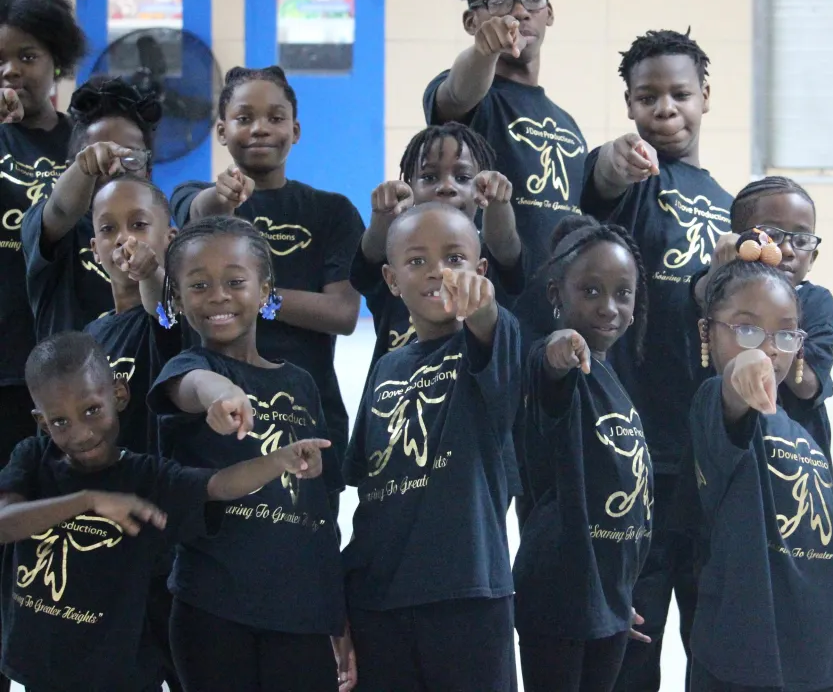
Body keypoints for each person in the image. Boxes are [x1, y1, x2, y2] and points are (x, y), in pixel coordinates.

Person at [0, 330, 330, 692]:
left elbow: (218, 484)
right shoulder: (32, 458)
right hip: (43, 675)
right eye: (60, 422)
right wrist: (87, 501)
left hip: (122, 679)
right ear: (42, 422)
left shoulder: (146, 478)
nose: (80, 433)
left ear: (119, 393)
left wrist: (277, 460)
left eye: (91, 410)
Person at [581, 29, 733, 689]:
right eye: (647, 97)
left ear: (705, 96)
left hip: (701, 450)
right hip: (632, 450)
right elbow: (600, 178)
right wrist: (616, 162)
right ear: (629, 106)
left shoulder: (731, 204)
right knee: (632, 637)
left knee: (708, 631)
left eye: (679, 93)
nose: (665, 109)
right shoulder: (627, 181)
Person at [147, 216, 352, 692]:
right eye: (198, 285)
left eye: (236, 281)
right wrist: (221, 395)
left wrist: (335, 613)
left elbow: (320, 512)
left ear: (265, 292)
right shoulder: (188, 369)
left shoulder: (301, 382)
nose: (218, 295)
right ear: (176, 299)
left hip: (299, 614)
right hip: (212, 608)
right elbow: (195, 386)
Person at [342, 203, 520, 691]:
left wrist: (483, 308)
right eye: (417, 261)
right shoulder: (385, 368)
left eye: (455, 258)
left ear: (480, 271)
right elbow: (365, 476)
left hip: (467, 595)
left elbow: (489, 325)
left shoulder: (492, 342)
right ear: (392, 279)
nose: (439, 271)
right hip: (378, 600)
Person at [171, 66, 364, 457]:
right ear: (222, 131)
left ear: (294, 130)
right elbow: (200, 215)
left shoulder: (332, 211)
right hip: (219, 404)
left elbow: (343, 314)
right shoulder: (193, 195)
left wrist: (256, 297)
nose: (260, 128)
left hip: (306, 403)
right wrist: (224, 199)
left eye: (275, 118)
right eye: (244, 118)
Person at [688, 258, 833, 692]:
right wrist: (741, 370)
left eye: (784, 332)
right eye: (746, 330)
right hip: (744, 658)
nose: (769, 348)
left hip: (818, 654)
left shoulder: (804, 432)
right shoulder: (713, 407)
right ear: (708, 334)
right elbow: (730, 395)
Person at [515, 215, 653, 692]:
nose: (609, 307)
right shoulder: (553, 364)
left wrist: (614, 596)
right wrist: (560, 348)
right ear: (556, 294)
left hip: (606, 601)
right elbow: (548, 365)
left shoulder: (615, 381)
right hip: (557, 597)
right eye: (590, 291)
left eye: (623, 293)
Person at [426, 0, 586, 272]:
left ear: (549, 11)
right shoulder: (472, 99)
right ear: (472, 21)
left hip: (559, 314)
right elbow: (458, 92)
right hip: (488, 314)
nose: (519, 12)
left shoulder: (567, 125)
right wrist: (485, 51)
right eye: (499, 2)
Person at [83, 173, 183, 689]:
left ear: (169, 235)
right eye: (108, 228)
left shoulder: (179, 315)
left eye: (139, 225)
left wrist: (152, 276)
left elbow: (160, 313)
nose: (124, 239)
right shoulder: (91, 337)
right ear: (93, 245)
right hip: (111, 551)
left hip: (171, 550)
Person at [0, 0, 86, 475]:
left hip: (65, 354)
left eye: (27, 56)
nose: (10, 70)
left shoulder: (83, 141)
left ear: (56, 61)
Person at [352, 121, 523, 366]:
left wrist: (499, 203)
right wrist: (383, 215)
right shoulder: (397, 256)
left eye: (463, 177)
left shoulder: (489, 259)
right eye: (429, 177)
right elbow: (369, 261)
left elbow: (505, 246)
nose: (446, 186)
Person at [23, 76, 162, 342]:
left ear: (148, 169)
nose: (115, 166)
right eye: (97, 157)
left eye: (129, 157)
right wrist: (85, 168)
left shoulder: (165, 227)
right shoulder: (52, 226)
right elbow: (62, 209)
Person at [709, 177, 833, 456]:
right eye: (772, 235)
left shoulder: (816, 302)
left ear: (812, 258)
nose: (788, 249)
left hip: (795, 452)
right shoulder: (719, 293)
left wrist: (779, 334)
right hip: (729, 445)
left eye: (801, 240)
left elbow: (808, 387)